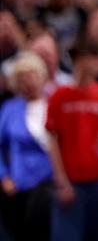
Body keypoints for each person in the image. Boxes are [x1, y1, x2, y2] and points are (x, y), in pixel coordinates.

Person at [46, 38, 98, 241]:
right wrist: (61, 182)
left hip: (97, 182)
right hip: (71, 182)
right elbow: (52, 140)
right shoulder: (59, 95)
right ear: (80, 59)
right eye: (93, 57)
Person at [0, 52, 53, 241]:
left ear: (43, 77)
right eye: (23, 78)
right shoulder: (10, 108)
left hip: (50, 184)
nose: (29, 82)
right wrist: (3, 176)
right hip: (18, 186)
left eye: (33, 75)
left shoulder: (53, 103)